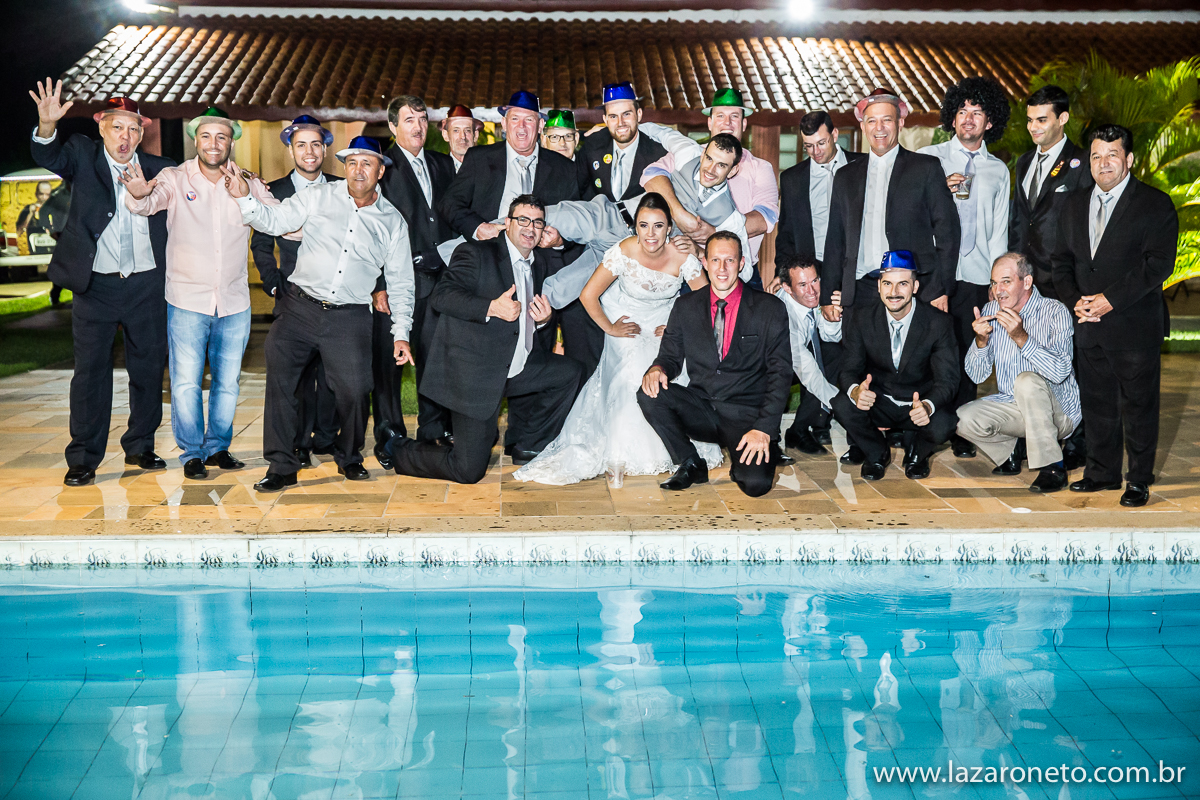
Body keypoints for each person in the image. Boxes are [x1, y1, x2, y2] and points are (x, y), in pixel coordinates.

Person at [226, 136, 416, 492]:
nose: (359, 170)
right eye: (353, 163)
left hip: (349, 316)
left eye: (367, 163)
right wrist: (243, 197)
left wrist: (401, 332)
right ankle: (281, 465)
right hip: (300, 306)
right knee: (281, 385)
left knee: (357, 389)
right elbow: (274, 219)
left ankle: (349, 455)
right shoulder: (317, 196)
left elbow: (402, 282)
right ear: (345, 167)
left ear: (381, 170)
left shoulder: (392, 222)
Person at [29, 81, 175, 487]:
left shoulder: (161, 169)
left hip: (147, 284)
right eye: (117, 128)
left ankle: (141, 445)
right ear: (102, 128)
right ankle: (84, 457)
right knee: (91, 373)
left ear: (140, 132)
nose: (125, 137)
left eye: (132, 129)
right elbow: (46, 152)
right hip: (96, 286)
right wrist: (46, 124)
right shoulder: (79, 155)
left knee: (148, 369)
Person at [379, 196, 584, 483]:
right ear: (508, 224)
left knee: (569, 372)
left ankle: (530, 444)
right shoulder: (476, 252)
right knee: (468, 470)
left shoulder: (537, 263)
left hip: (515, 366)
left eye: (537, 222)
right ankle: (395, 446)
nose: (530, 227)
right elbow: (442, 297)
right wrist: (491, 307)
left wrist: (544, 319)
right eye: (523, 220)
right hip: (475, 375)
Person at [514, 193, 716, 485]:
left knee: (673, 374)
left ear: (670, 228)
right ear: (635, 226)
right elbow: (588, 295)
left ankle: (682, 449)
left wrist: (677, 329)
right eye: (643, 225)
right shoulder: (624, 250)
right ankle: (628, 451)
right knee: (633, 375)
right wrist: (610, 328)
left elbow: (704, 302)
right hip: (627, 322)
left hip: (665, 325)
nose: (651, 234)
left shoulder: (682, 255)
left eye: (658, 226)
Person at [121, 107, 271, 480]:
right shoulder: (174, 177)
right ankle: (191, 452)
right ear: (196, 140)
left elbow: (283, 223)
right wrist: (139, 195)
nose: (213, 143)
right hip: (187, 299)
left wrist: (251, 197)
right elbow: (147, 203)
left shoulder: (246, 182)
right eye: (206, 136)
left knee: (228, 381)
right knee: (186, 381)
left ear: (231, 141)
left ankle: (218, 446)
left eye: (221, 136)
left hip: (234, 300)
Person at [1051, 124, 1179, 507]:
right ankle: (1101, 473)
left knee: (1139, 407)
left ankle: (1138, 479)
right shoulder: (1073, 204)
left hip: (1133, 325)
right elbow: (1061, 262)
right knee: (1097, 404)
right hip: (1087, 323)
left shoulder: (1154, 204)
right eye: (1096, 156)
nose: (1103, 163)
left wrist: (1109, 299)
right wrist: (1076, 300)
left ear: (1129, 159)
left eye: (1112, 155)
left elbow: (1158, 265)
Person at [637, 231, 791, 497]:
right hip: (702, 407)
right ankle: (690, 462)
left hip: (747, 417)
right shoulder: (685, 306)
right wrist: (657, 369)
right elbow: (670, 357)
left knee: (756, 486)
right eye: (716, 260)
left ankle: (750, 453)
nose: (722, 269)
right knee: (649, 393)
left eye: (729, 261)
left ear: (741, 263)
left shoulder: (770, 309)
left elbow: (781, 373)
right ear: (704, 263)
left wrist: (764, 429)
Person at [438, 91, 583, 371]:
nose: (521, 127)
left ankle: (528, 410)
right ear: (503, 124)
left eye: (529, 120)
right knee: (487, 352)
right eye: (514, 119)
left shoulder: (564, 168)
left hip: (541, 270)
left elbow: (576, 222)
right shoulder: (480, 158)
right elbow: (449, 204)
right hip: (490, 265)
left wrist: (559, 240)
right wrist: (480, 229)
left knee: (536, 354)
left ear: (540, 126)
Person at [540, 133, 751, 313]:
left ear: (732, 170)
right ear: (703, 153)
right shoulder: (688, 153)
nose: (710, 169)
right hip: (612, 215)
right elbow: (657, 130)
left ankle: (521, 315)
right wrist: (603, 129)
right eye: (709, 158)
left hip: (629, 251)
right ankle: (505, 223)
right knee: (544, 216)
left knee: (559, 292)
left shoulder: (729, 215)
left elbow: (746, 269)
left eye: (721, 165)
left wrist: (700, 250)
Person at [919, 77, 1011, 459]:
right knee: (929, 352)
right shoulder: (929, 158)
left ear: (990, 122)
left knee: (968, 351)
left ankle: (960, 429)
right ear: (951, 118)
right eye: (962, 112)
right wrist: (940, 187)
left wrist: (999, 281)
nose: (969, 120)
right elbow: (910, 213)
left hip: (975, 274)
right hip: (935, 272)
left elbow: (1000, 227)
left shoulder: (998, 170)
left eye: (977, 113)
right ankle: (923, 426)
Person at [822, 88, 960, 322]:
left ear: (900, 123)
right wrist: (828, 295)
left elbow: (948, 233)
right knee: (858, 359)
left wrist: (941, 288)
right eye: (872, 121)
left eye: (887, 120)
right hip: (860, 291)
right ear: (863, 126)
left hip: (915, 291)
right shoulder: (845, 176)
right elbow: (835, 240)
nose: (879, 128)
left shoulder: (925, 168)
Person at [250, 114, 341, 469]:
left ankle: (328, 438)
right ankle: (299, 442)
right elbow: (261, 243)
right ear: (290, 149)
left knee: (331, 373)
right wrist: (273, 282)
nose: (309, 151)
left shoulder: (341, 187)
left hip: (336, 297)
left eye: (315, 144)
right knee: (298, 376)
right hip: (292, 296)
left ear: (324, 149)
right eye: (301, 144)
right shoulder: (274, 192)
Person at [375, 96, 458, 465]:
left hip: (440, 281)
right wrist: (379, 284)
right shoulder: (382, 168)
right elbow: (371, 226)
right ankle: (389, 437)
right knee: (392, 362)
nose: (417, 126)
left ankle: (433, 431)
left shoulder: (443, 165)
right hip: (396, 282)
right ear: (393, 127)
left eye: (422, 119)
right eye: (409, 119)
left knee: (436, 359)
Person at [958, 253, 1081, 493]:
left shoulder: (1055, 311)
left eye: (1006, 281)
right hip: (1016, 407)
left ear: (1027, 282)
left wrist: (1021, 338)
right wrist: (981, 341)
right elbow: (976, 376)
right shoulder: (991, 309)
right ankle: (1011, 452)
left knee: (1026, 381)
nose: (998, 290)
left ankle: (1053, 467)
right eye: (993, 283)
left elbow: (1060, 372)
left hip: (1059, 411)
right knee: (962, 418)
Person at [832, 251, 958, 481]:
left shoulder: (938, 323)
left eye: (902, 284)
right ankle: (877, 454)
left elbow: (948, 380)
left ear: (915, 286)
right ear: (879, 286)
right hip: (880, 401)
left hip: (918, 403)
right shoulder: (862, 319)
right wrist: (856, 391)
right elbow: (848, 369)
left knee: (946, 421)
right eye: (887, 284)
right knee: (842, 403)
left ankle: (917, 455)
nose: (894, 292)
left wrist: (928, 406)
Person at [642, 88, 778, 287]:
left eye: (734, 116)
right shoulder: (689, 153)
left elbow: (765, 218)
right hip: (686, 266)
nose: (727, 122)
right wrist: (678, 213)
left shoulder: (760, 167)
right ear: (710, 122)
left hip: (737, 271)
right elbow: (651, 175)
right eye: (720, 116)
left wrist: (716, 234)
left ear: (744, 123)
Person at [1010, 85, 1093, 300]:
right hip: (1025, 281)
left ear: (1063, 118)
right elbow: (1019, 219)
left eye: (1041, 120)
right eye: (1030, 120)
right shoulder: (1024, 162)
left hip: (1062, 280)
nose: (1033, 127)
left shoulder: (1083, 162)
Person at [775, 111, 865, 266]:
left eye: (821, 143)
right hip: (815, 268)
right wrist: (783, 273)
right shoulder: (792, 179)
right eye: (808, 146)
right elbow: (786, 235)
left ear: (834, 135)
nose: (815, 152)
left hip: (858, 267)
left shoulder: (864, 166)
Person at [774, 255, 843, 456]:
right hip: (761, 371)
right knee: (782, 374)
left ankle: (799, 431)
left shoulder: (812, 297)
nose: (812, 291)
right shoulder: (783, 313)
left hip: (794, 361)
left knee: (833, 354)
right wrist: (844, 406)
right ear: (787, 288)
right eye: (803, 284)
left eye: (815, 281)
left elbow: (830, 337)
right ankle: (769, 438)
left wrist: (833, 315)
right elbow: (807, 371)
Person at [581, 81, 668, 205]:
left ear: (639, 114)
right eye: (613, 116)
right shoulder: (592, 146)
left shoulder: (659, 152)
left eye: (626, 114)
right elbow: (580, 191)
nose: (620, 122)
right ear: (605, 120)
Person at [541, 109, 594, 197]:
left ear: (576, 139)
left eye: (568, 136)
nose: (562, 143)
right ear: (544, 140)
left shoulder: (590, 170)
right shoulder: (535, 171)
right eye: (554, 137)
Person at [439, 104, 481, 173]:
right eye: (456, 130)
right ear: (445, 135)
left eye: (467, 130)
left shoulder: (487, 170)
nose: (462, 136)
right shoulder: (436, 171)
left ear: (475, 135)